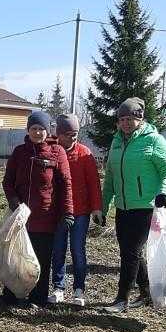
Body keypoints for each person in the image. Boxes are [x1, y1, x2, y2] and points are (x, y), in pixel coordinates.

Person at [100, 97, 166, 313]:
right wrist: (103, 206)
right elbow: (110, 179)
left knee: (130, 253)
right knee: (130, 252)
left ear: (140, 118)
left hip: (145, 207)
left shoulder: (154, 140)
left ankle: (121, 299)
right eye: (122, 119)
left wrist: (163, 193)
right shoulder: (117, 142)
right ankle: (145, 292)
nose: (125, 123)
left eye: (130, 118)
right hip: (123, 208)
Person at [2, 111, 74, 308]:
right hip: (21, 217)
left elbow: (66, 184)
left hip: (46, 217)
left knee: (40, 259)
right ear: (28, 130)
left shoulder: (57, 152)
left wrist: (67, 212)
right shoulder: (19, 153)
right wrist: (14, 201)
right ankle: (13, 295)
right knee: (17, 257)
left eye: (42, 129)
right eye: (34, 128)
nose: (38, 132)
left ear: (47, 130)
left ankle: (37, 298)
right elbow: (7, 182)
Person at [50, 113, 102, 306]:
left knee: (78, 250)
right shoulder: (52, 151)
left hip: (81, 212)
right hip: (59, 211)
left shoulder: (84, 153)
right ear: (59, 134)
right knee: (58, 249)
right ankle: (58, 287)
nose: (72, 138)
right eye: (68, 134)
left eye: (75, 134)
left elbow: (94, 184)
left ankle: (79, 289)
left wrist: (97, 208)